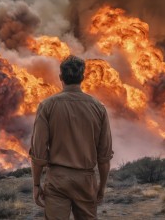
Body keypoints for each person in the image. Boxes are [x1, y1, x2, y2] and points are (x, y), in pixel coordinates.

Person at [29, 55, 113, 219]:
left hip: (57, 180)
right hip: (86, 180)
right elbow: (104, 156)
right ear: (83, 77)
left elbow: (38, 153)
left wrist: (36, 185)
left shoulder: (47, 106)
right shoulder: (98, 108)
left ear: (61, 77)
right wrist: (101, 187)